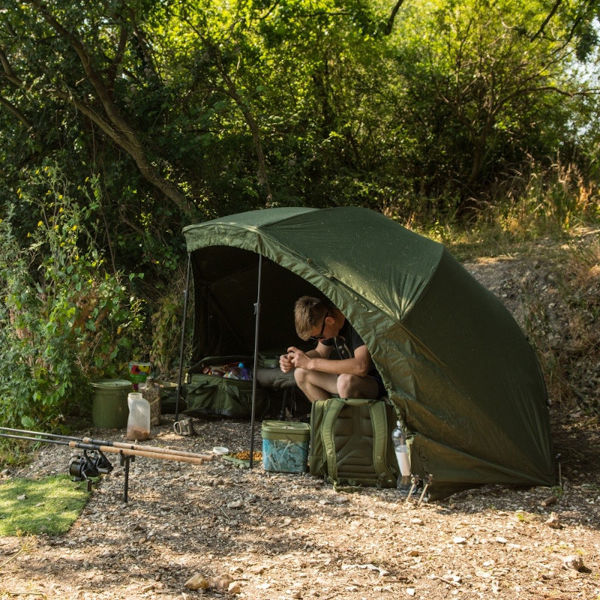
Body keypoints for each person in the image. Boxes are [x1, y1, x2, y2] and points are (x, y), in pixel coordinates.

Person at [279, 296, 385, 402]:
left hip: (376, 382)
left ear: (329, 321)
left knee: (345, 382)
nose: (319, 341)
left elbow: (361, 366)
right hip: (347, 379)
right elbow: (320, 352)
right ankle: (332, 417)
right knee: (301, 373)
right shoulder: (328, 326)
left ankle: (348, 418)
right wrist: (297, 360)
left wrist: (311, 363)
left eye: (319, 336)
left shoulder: (357, 322)